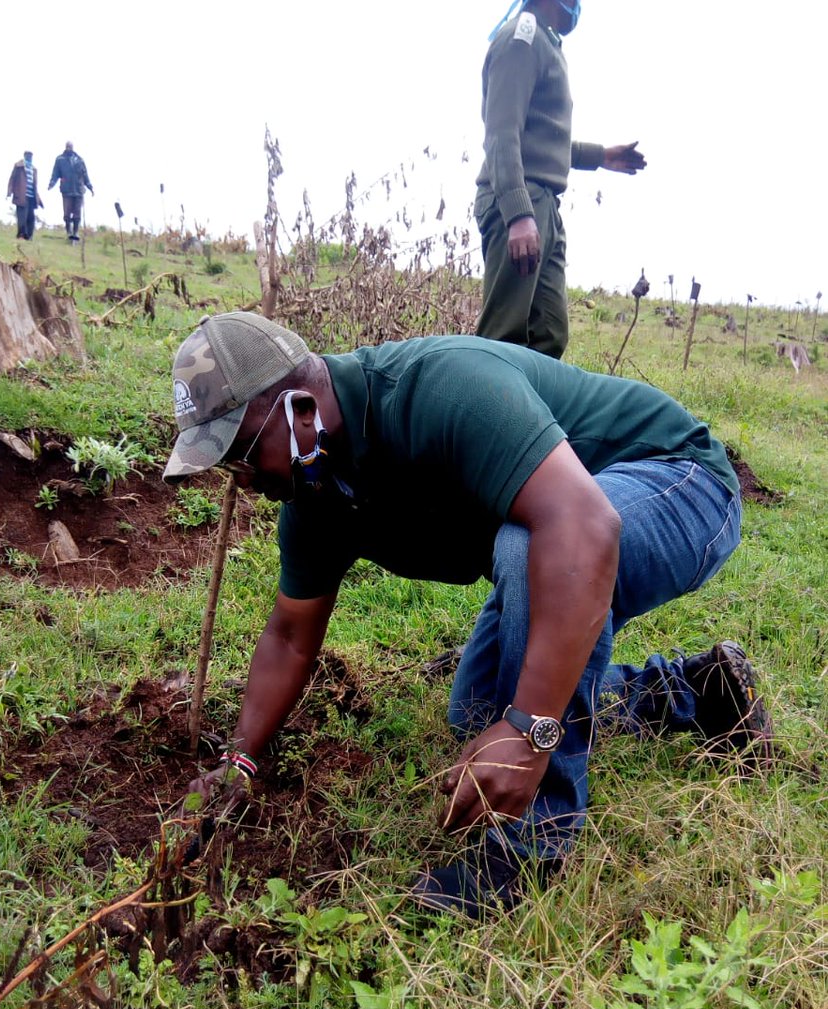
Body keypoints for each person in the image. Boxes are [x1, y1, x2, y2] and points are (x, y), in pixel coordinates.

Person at [164, 312, 771, 919]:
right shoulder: (317, 492)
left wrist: (532, 730)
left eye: (242, 453)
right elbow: (292, 636)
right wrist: (238, 762)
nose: (242, 481)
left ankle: (532, 846)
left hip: (678, 481)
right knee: (475, 715)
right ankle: (692, 692)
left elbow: (582, 527)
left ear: (299, 409)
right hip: (563, 537)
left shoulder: (443, 388)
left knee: (525, 580)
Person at [476, 0, 646, 357]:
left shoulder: (545, 43)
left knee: (548, 336)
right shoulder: (520, 41)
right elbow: (501, 136)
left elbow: (542, 140)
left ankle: (524, 414)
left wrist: (601, 156)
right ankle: (475, 409)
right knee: (502, 339)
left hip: (543, 206)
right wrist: (519, 215)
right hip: (519, 201)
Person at [48, 141, 93, 243]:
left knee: (77, 213)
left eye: (70, 147)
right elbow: (55, 174)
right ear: (65, 147)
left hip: (78, 190)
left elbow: (85, 175)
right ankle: (69, 232)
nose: (69, 148)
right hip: (67, 190)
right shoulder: (60, 160)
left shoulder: (80, 160)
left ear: (73, 147)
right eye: (67, 146)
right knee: (67, 214)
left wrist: (90, 186)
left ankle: (76, 232)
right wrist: (51, 183)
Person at [6, 151, 42, 241]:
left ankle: (29, 236)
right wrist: (9, 191)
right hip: (21, 195)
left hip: (32, 197)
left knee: (31, 217)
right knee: (22, 216)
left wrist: (39, 199)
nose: (30, 157)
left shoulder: (34, 169)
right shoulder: (19, 166)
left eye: (31, 155)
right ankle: (21, 235)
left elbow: (35, 185)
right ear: (25, 156)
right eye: (28, 155)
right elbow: (12, 179)